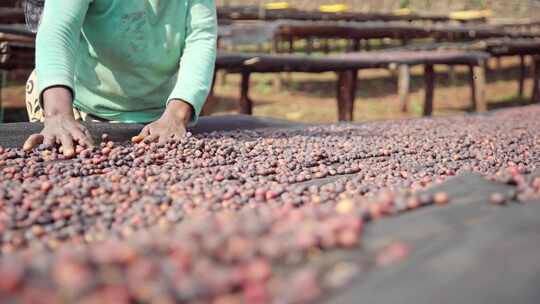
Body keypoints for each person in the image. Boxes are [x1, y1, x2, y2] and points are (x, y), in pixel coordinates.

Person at [22, 0, 217, 156]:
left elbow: (201, 39)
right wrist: (58, 116)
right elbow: (58, 30)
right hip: (76, 106)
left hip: (161, 115)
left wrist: (176, 115)